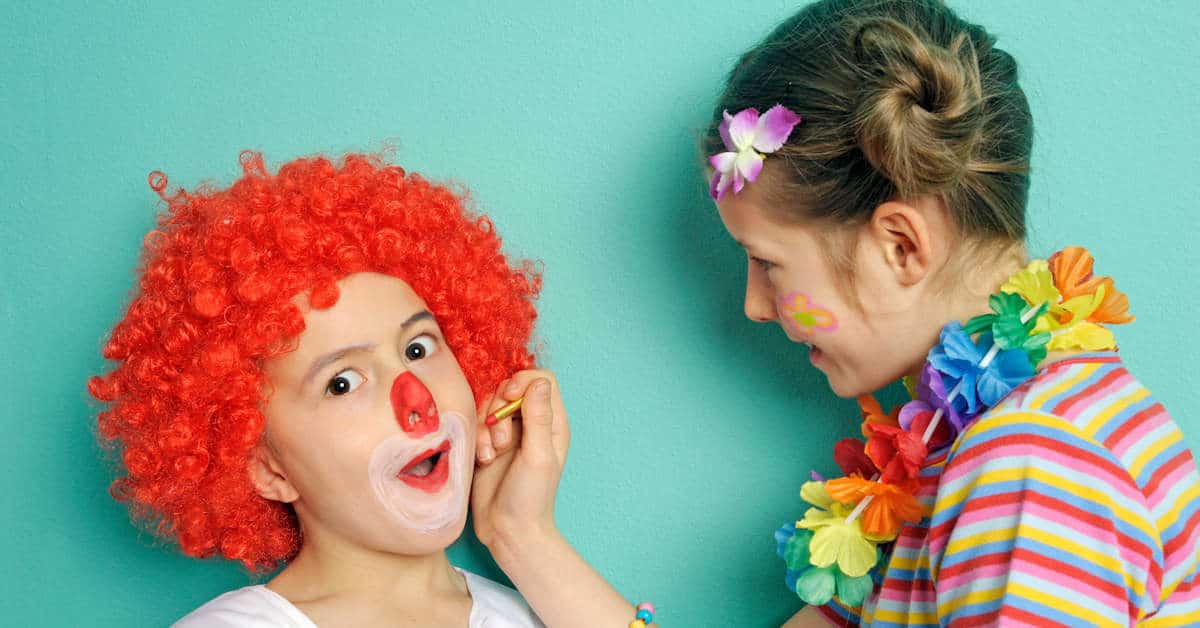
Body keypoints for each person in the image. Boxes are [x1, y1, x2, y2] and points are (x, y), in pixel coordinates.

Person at [472, 1, 1200, 625]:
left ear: (901, 247)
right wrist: (519, 534)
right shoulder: (953, 450)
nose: (754, 307)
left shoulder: (1033, 469)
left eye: (768, 265)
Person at [90, 151, 548, 627]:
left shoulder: (541, 607)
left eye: (417, 350)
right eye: (342, 383)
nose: (417, 403)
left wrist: (526, 537)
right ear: (269, 469)